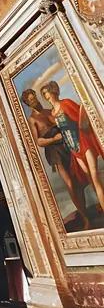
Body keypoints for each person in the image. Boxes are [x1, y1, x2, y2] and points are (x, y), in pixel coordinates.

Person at [41, 80, 104, 226]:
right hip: (73, 148)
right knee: (89, 177)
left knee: (94, 177)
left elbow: (81, 118)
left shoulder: (66, 103)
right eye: (43, 94)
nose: (46, 96)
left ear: (53, 91)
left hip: (83, 142)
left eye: (47, 92)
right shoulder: (52, 112)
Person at [22, 88, 88, 227]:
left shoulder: (48, 110)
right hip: (54, 151)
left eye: (35, 97)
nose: (35, 101)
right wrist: (53, 138)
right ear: (28, 104)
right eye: (31, 100)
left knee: (77, 180)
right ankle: (84, 217)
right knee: (70, 183)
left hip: (65, 144)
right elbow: (38, 141)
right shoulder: (33, 119)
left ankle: (84, 212)